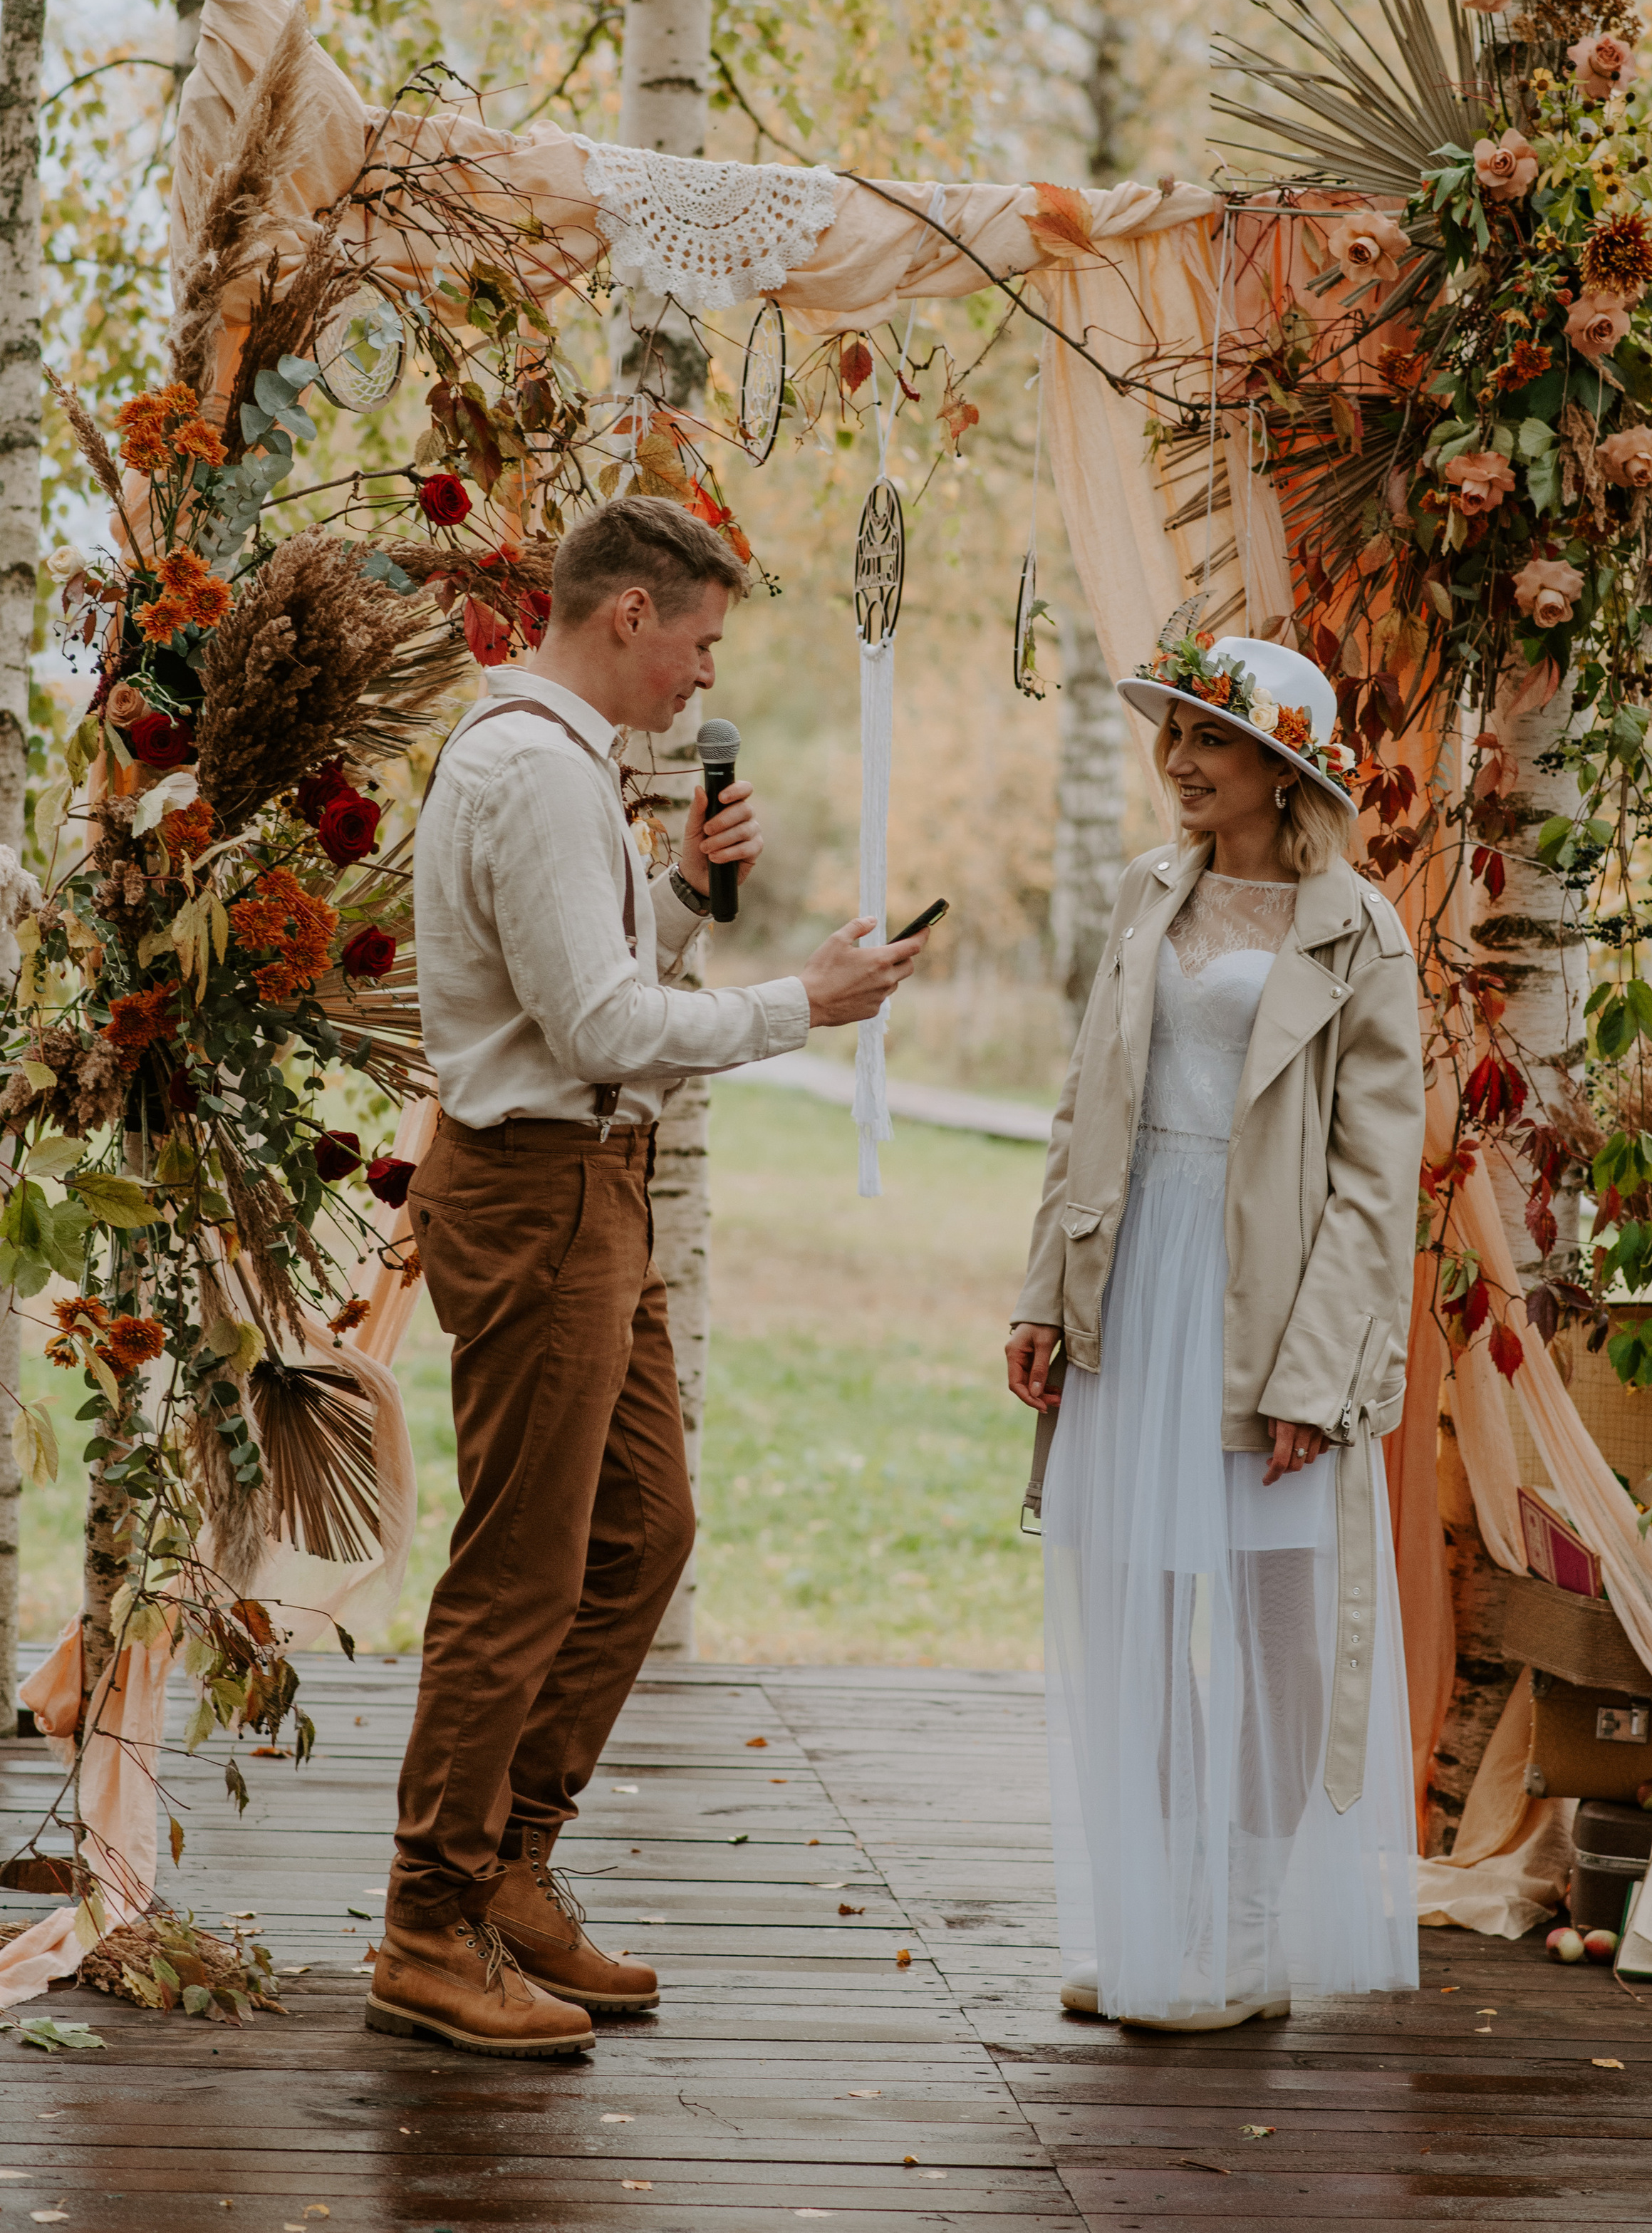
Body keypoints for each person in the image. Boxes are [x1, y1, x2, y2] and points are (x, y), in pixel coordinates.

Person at [369, 494, 925, 2058]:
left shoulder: (569, 773)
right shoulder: (533, 772)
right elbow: (602, 1038)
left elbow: (596, 991)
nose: (701, 672)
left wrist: (679, 894)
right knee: (521, 1568)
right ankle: (427, 1923)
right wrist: (798, 1003)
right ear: (628, 614)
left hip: (595, 1187)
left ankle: (511, 1865)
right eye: (699, 639)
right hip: (545, 1192)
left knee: (643, 1529)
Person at [1004, 611, 1423, 2031]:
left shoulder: (1357, 934)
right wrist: (1041, 1302)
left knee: (1279, 1623)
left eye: (1207, 737)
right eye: (1168, 733)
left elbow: (1374, 1181)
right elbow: (1085, 1108)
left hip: (1266, 1298)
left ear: (1278, 766)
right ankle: (1160, 1917)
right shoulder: (1144, 894)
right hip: (1134, 1280)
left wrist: (1318, 1372)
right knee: (1129, 1603)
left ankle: (1246, 1930)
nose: (1175, 759)